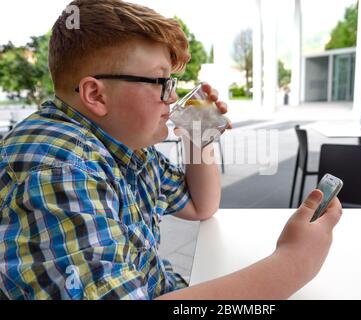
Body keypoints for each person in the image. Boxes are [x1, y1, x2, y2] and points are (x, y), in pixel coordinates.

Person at [0, 0, 342, 300]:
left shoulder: (125, 148)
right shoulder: (58, 168)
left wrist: (198, 136)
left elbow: (200, 205)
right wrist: (293, 264)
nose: (173, 97)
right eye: (161, 81)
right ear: (96, 95)